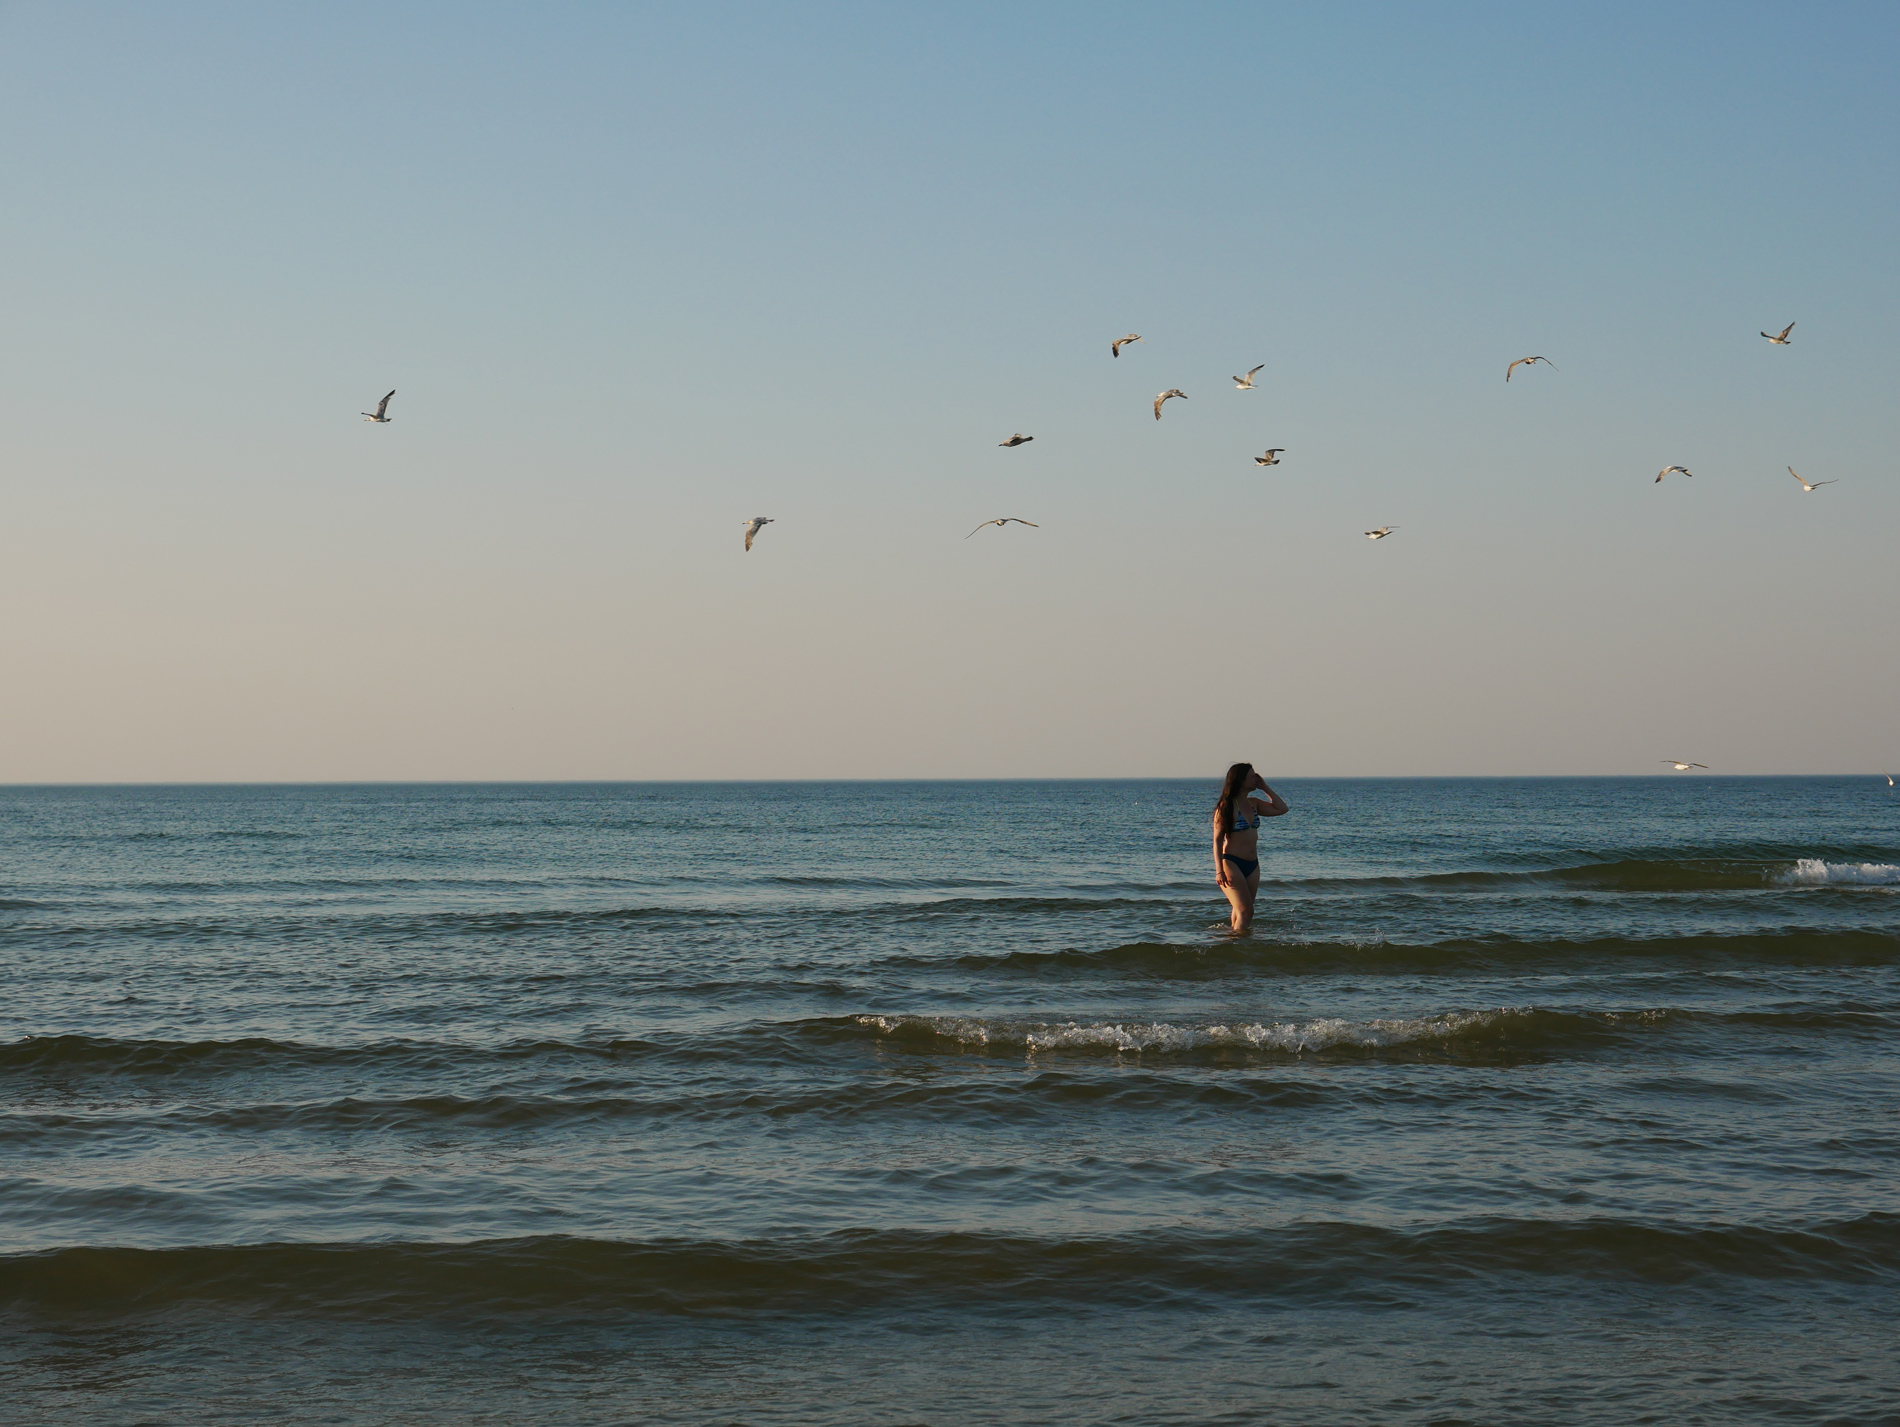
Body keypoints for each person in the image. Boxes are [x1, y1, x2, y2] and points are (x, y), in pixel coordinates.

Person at [1212, 763, 1289, 932]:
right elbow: (1217, 840)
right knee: (1246, 911)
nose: (1255, 779)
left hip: (1252, 865)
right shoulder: (1226, 807)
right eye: (1252, 776)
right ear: (1240, 780)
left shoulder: (1254, 803)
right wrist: (1219, 870)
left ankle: (1234, 942)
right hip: (1232, 863)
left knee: (1240, 911)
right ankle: (1240, 945)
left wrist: (1264, 787)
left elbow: (1282, 809)